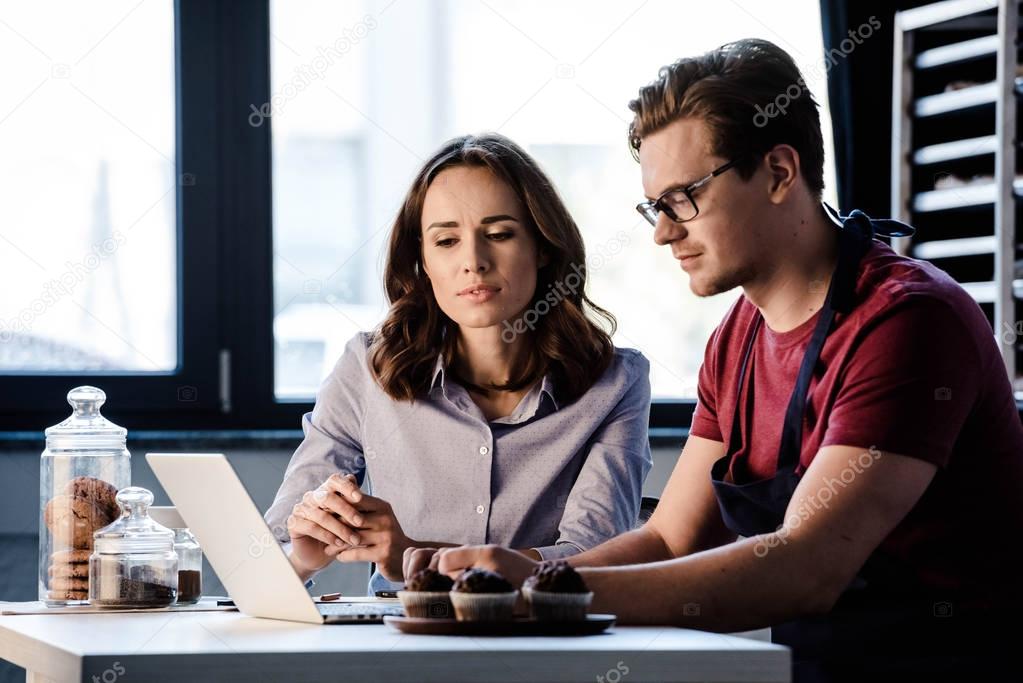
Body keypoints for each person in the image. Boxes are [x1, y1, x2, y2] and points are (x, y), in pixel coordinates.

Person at [411, 40, 1023, 681]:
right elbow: (671, 539)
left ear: (780, 172)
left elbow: (808, 566)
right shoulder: (738, 337)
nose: (662, 232)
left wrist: (541, 598)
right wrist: (523, 574)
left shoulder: (907, 321)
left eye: (683, 198)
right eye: (655, 206)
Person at [264, 133, 652, 595]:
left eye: (500, 234)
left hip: (546, 649)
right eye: (446, 240)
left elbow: (592, 560)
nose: (474, 261)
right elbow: (277, 553)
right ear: (422, 261)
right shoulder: (365, 369)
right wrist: (303, 557)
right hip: (400, 651)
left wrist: (413, 556)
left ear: (544, 247)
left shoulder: (615, 383)